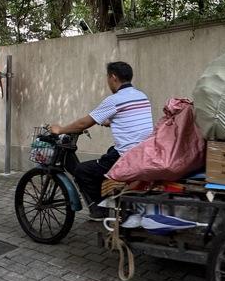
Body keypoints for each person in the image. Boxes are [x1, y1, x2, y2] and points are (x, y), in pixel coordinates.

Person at [51, 61, 153, 218]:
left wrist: (60, 129)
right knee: (109, 153)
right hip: (144, 151)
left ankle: (101, 209)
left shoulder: (114, 99)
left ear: (113, 77)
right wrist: (111, 122)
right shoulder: (141, 96)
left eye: (107, 78)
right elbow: (131, 118)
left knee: (82, 170)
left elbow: (83, 123)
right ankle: (111, 194)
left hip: (127, 155)